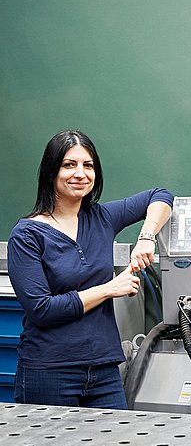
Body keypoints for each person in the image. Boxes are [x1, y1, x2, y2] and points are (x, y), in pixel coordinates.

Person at [7, 130, 173, 409]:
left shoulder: (102, 218)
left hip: (104, 370)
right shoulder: (27, 235)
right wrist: (109, 289)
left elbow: (160, 196)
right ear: (51, 171)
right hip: (49, 372)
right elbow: (43, 310)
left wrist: (147, 237)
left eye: (88, 165)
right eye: (69, 165)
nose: (80, 174)